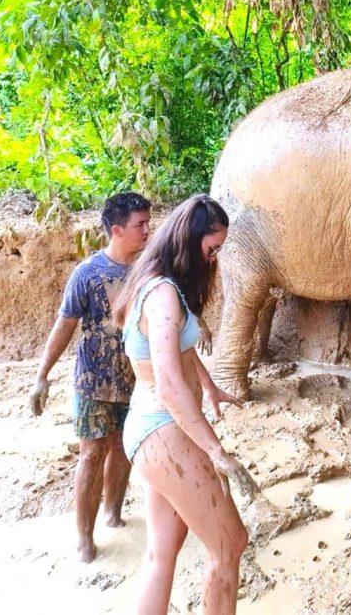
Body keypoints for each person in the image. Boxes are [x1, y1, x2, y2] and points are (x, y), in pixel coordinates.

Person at [113, 194, 258, 615]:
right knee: (230, 544)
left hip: (148, 429)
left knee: (161, 553)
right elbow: (171, 384)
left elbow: (179, 351)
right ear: (189, 241)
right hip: (164, 430)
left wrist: (209, 387)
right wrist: (217, 452)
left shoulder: (155, 281)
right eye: (211, 249)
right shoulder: (163, 296)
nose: (213, 260)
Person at [28, 192, 152, 562]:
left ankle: (114, 513)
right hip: (93, 383)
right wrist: (41, 375)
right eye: (140, 225)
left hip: (136, 381)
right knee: (91, 455)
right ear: (116, 229)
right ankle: (85, 536)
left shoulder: (147, 269)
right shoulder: (87, 273)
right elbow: (64, 325)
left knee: (123, 448)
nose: (148, 230)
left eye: (149, 223)